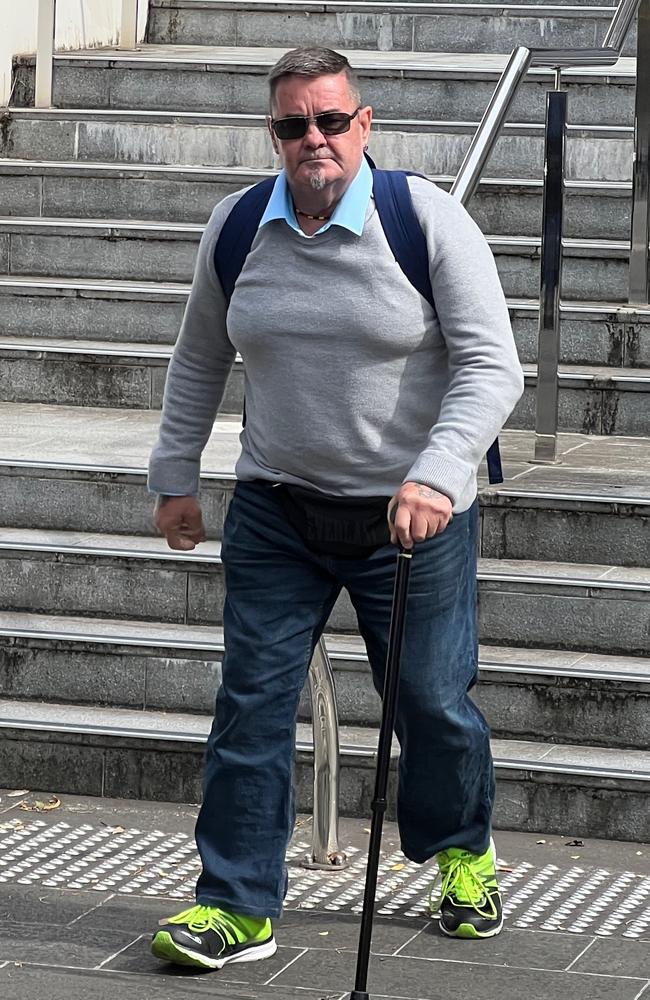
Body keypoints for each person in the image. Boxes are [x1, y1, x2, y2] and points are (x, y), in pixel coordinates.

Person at [147, 45, 524, 970]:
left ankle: (462, 857)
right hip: (279, 507)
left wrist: (436, 474)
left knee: (432, 704)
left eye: (329, 120)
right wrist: (174, 475)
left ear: (363, 124)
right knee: (252, 705)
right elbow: (199, 359)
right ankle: (235, 903)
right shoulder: (238, 228)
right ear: (272, 133)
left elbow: (492, 367)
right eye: (292, 124)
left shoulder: (423, 220)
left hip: (411, 519)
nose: (311, 138)